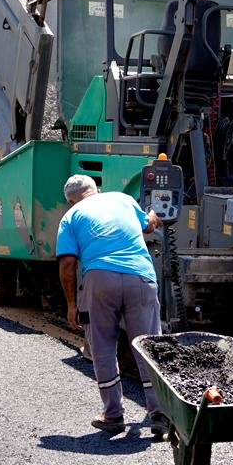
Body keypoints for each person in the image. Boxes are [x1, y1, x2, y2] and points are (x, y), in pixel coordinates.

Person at [56, 174, 166, 436]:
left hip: (100, 279)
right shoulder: (123, 199)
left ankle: (113, 414)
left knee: (102, 344)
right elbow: (149, 225)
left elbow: (67, 264)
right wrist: (153, 213)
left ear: (71, 201)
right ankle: (160, 413)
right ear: (97, 190)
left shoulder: (71, 217)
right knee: (149, 346)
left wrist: (72, 304)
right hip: (141, 276)